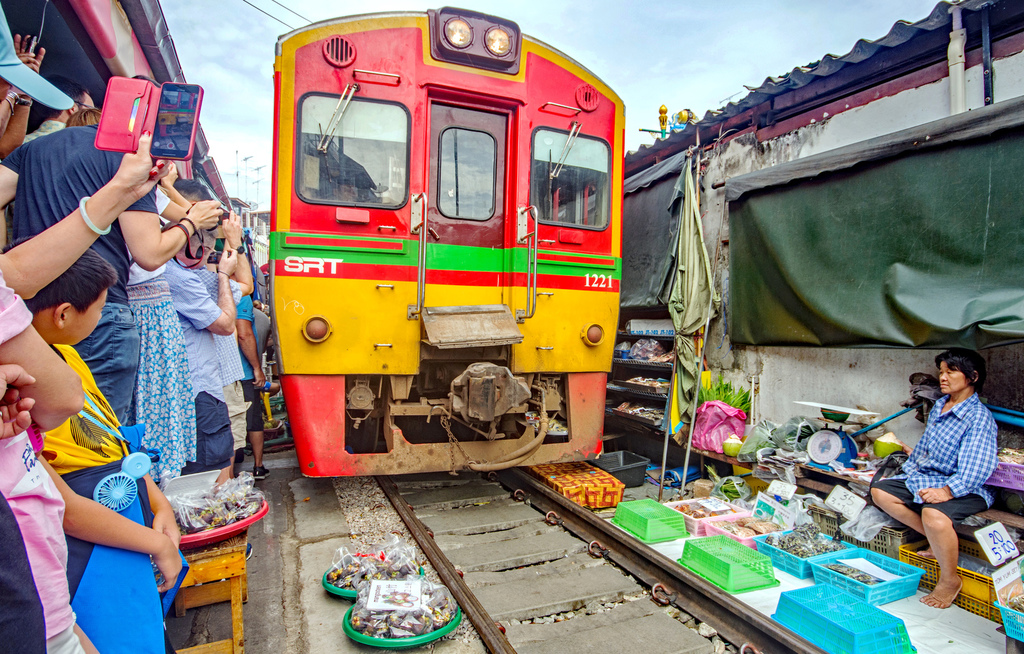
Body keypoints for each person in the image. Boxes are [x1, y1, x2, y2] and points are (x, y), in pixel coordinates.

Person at [0, 116, 222, 421]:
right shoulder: (130, 160)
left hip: (32, 312)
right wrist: (191, 223)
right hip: (95, 308)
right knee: (98, 431)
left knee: (41, 426)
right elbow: (150, 252)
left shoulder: (33, 149)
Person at [25, 247, 182, 653]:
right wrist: (158, 544)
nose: (102, 319)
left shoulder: (67, 356)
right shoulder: (22, 395)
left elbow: (114, 442)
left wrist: (159, 505)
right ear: (63, 315)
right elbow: (68, 511)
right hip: (90, 550)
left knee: (146, 631)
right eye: (99, 310)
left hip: (128, 529)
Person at [871, 348, 997, 609]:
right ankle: (934, 540)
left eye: (951, 371)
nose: (943, 377)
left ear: (972, 377)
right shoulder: (941, 405)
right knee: (881, 492)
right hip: (931, 477)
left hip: (968, 485)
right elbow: (925, 448)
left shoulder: (978, 417)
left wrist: (947, 492)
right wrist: (910, 467)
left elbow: (977, 469)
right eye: (941, 372)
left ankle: (950, 579)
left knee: (933, 514)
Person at [164, 224, 241, 482]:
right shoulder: (182, 279)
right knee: (211, 470)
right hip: (199, 387)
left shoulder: (152, 273)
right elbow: (226, 325)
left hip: (180, 389)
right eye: (206, 251)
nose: (207, 258)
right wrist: (223, 274)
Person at [237, 293, 268, 478]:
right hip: (245, 372)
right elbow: (244, 334)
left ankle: (228, 473)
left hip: (226, 374)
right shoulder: (242, 298)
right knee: (254, 421)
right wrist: (257, 367)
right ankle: (258, 466)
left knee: (230, 422)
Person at [23, 74, 92, 144]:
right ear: (72, 108)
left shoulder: (21, 143)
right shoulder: (82, 143)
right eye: (90, 110)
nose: (95, 117)